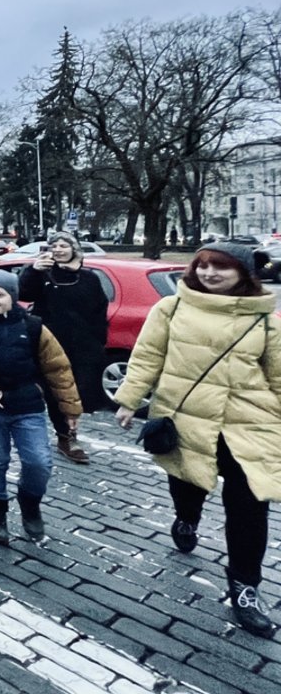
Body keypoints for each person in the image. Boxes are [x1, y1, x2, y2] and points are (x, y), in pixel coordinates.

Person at [114, 242, 281, 637]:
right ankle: (186, 519)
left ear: (243, 273)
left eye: (221, 267)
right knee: (188, 485)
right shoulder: (170, 308)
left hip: (247, 424)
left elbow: (277, 376)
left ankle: (245, 587)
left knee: (250, 505)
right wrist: (129, 399)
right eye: (203, 265)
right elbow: (148, 356)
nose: (209, 273)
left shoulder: (265, 320)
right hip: (186, 418)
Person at [0, 270, 80, 545]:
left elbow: (58, 369)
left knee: (38, 462)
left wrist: (70, 410)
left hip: (28, 406)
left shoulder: (33, 327)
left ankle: (30, 505)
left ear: (13, 296)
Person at [18, 230, 107, 464]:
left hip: (81, 346)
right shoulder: (43, 273)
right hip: (49, 344)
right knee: (50, 392)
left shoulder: (89, 278)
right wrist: (33, 270)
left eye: (63, 245)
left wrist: (98, 342)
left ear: (74, 250)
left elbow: (99, 310)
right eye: (54, 246)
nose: (58, 250)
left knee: (74, 393)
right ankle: (53, 437)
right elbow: (24, 293)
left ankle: (68, 435)